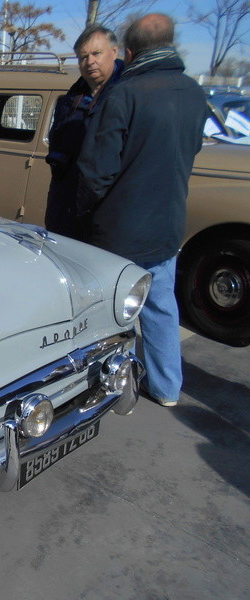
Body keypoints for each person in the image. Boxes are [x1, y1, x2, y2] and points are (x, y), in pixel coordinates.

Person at [77, 14, 208, 407]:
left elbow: (96, 170)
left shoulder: (125, 94)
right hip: (168, 222)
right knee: (161, 308)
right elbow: (193, 149)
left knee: (106, 312)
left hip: (120, 230)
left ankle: (99, 388)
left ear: (127, 52)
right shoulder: (193, 91)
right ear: (172, 43)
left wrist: (85, 215)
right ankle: (167, 388)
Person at [44, 24, 122, 239]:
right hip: (66, 195)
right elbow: (59, 138)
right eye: (83, 57)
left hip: (103, 204)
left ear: (114, 52)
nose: (90, 62)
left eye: (96, 53)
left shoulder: (125, 94)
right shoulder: (75, 93)